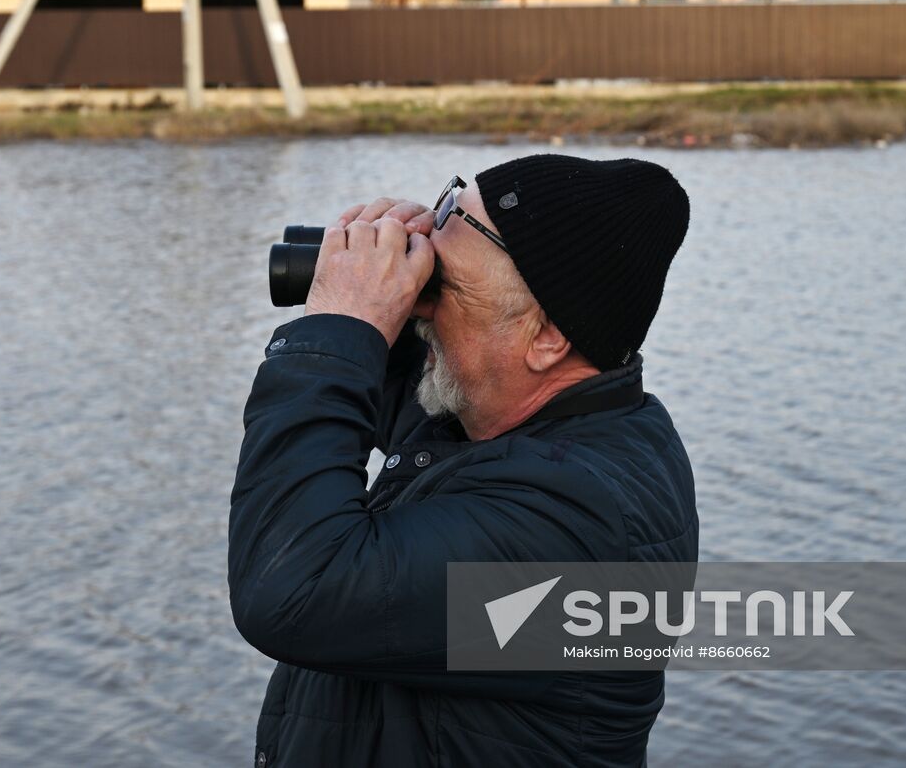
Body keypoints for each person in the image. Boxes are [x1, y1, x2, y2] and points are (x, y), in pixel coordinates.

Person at [229, 154, 696, 767]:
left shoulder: (571, 526)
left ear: (546, 336)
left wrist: (338, 332)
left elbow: (292, 589)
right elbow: (412, 396)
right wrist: (377, 282)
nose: (424, 307)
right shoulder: (519, 417)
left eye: (444, 287)